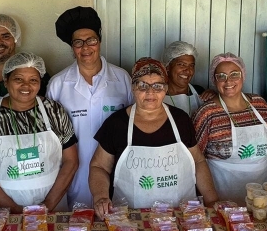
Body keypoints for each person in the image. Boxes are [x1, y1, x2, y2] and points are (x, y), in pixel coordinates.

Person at [89, 58, 219, 217]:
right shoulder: (116, 124)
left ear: (165, 88)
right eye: (143, 85)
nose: (150, 92)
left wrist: (212, 200)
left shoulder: (180, 120)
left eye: (157, 86)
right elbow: (99, 166)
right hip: (129, 219)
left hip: (181, 216)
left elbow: (198, 161)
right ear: (133, 87)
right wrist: (101, 196)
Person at [46, 6, 133, 207]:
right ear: (72, 47)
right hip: (73, 171)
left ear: (99, 41)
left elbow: (135, 122)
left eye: (91, 40)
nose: (85, 47)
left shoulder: (122, 79)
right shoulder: (58, 84)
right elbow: (50, 137)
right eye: (78, 42)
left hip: (116, 166)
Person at [0, 53, 79, 212]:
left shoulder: (54, 112)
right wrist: (14, 210)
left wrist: (47, 205)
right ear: (6, 81)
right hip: (2, 213)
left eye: (33, 80)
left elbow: (71, 161)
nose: (26, 86)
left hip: (53, 206)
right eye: (18, 79)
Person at [193, 53, 267, 204]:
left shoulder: (259, 104)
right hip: (223, 195)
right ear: (214, 80)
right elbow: (196, 159)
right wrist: (210, 201)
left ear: (243, 76)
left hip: (263, 193)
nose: (228, 81)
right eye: (221, 76)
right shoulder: (207, 113)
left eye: (234, 74)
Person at [162, 41, 204, 115]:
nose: (187, 70)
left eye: (191, 65)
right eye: (181, 64)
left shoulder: (200, 92)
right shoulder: (156, 93)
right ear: (168, 66)